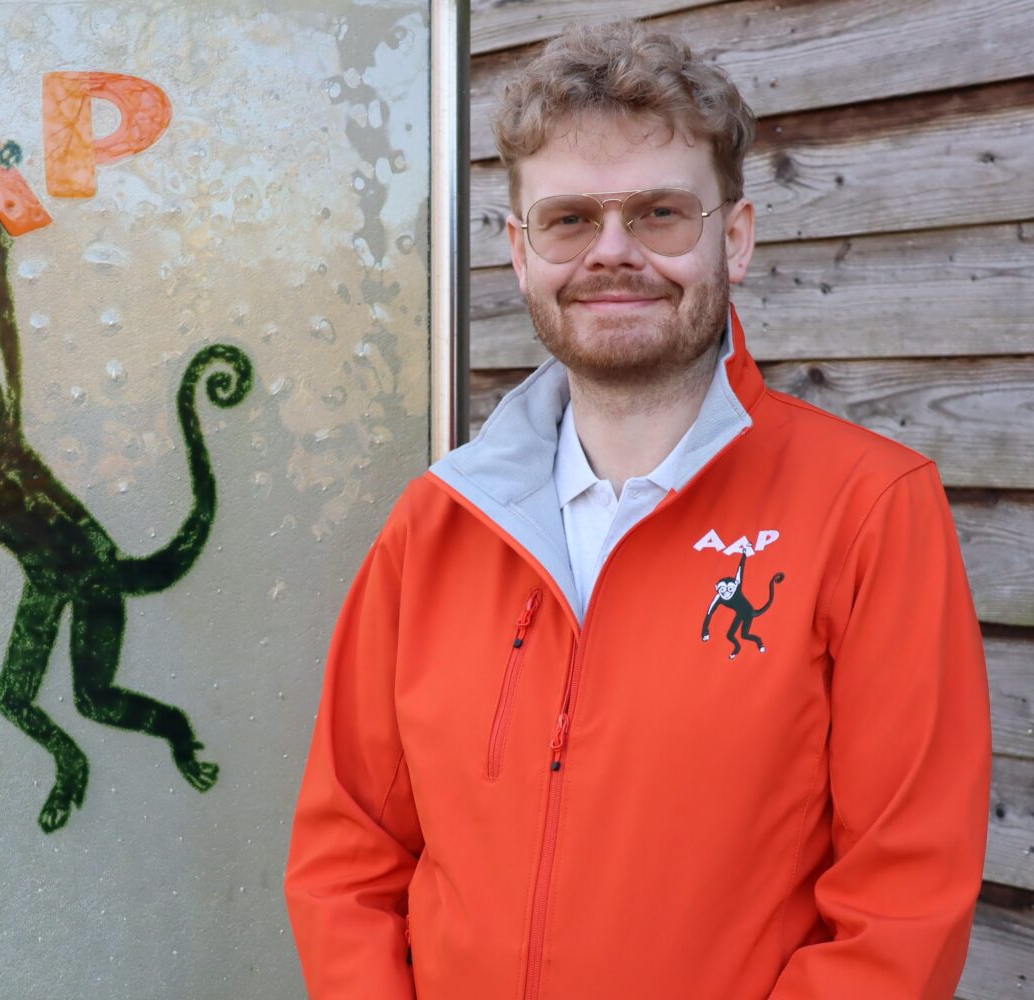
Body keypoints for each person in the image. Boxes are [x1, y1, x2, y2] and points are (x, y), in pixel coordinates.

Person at [284, 19, 991, 1000]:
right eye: (569, 220)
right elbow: (347, 851)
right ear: (521, 252)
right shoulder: (434, 525)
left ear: (732, 238)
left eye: (660, 214)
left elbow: (902, 905)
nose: (612, 254)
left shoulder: (868, 510)